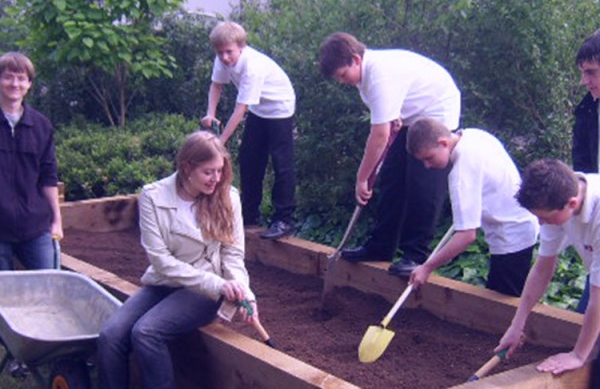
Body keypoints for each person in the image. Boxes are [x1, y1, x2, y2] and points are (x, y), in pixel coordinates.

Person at [97, 131, 258, 389]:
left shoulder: (228, 197)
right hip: (165, 281)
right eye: (208, 172)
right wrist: (217, 284)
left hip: (206, 290)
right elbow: (161, 261)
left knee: (146, 333)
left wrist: (242, 291)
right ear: (187, 168)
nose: (216, 179)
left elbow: (233, 254)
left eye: (220, 171)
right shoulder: (153, 196)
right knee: (111, 335)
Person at [318, 32, 461, 276]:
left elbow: (380, 136)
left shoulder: (380, 75)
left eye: (342, 74)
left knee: (422, 186)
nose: (342, 81)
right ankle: (381, 246)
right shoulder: (364, 77)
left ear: (356, 59)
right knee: (391, 180)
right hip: (410, 118)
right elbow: (389, 120)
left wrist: (362, 177)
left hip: (436, 113)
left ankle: (416, 255)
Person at [406, 117, 538, 296]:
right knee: (498, 298)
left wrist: (427, 267)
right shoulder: (474, 135)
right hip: (521, 224)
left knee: (500, 304)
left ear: (443, 142)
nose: (427, 166)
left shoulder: (461, 173)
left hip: (511, 235)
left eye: (429, 158)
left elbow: (466, 236)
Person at [495, 159, 600, 377]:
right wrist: (517, 325)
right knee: (584, 339)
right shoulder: (558, 200)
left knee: (591, 356)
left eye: (544, 218)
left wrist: (578, 355)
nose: (541, 224)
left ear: (571, 204)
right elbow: (542, 269)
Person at [200, 21, 296, 240]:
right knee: (249, 158)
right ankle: (249, 214)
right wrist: (210, 113)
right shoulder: (222, 58)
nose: (224, 57)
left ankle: (284, 219)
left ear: (241, 47)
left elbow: (240, 109)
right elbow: (216, 85)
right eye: (220, 52)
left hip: (279, 108)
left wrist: (220, 141)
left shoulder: (253, 67)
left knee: (282, 164)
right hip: (258, 108)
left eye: (229, 52)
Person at [0, 52, 62, 271]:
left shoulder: (41, 126)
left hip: (36, 228)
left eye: (21, 78)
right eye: (8, 77)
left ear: (29, 84)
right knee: (3, 297)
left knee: (50, 287)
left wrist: (57, 220)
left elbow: (49, 177)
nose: (14, 84)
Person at [572, 29, 600, 313]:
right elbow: (582, 169)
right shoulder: (588, 111)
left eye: (591, 72)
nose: (585, 81)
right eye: (583, 73)